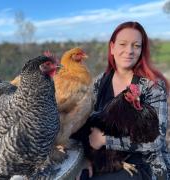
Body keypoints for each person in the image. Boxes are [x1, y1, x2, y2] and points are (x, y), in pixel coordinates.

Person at [72, 21, 170, 180]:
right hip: (105, 160)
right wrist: (84, 160)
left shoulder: (153, 85)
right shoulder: (99, 83)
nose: (129, 51)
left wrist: (105, 140)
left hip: (145, 164)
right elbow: (83, 126)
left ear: (141, 50)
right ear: (112, 47)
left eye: (136, 46)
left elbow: (156, 141)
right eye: (123, 44)